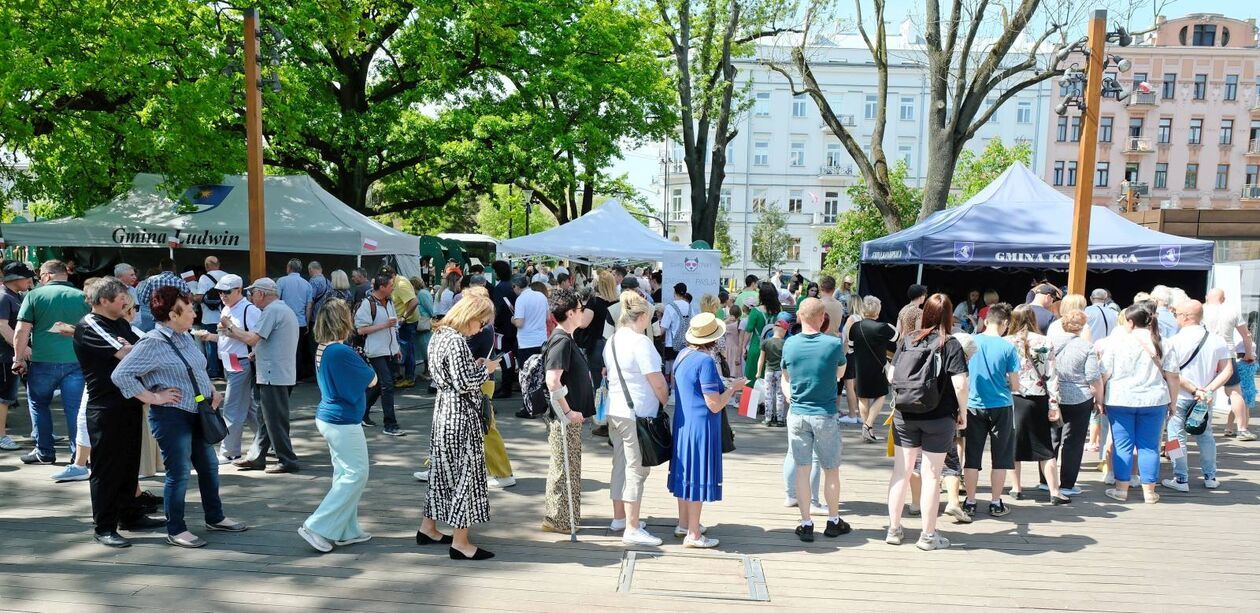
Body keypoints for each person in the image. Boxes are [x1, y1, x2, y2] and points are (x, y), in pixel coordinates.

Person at [112, 286, 247, 547]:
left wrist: (211, 390)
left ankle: (215, 517)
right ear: (172, 315)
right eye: (187, 310)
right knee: (179, 472)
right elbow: (120, 375)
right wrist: (153, 398)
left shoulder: (185, 337)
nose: (193, 314)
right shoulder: (153, 341)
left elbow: (195, 368)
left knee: (209, 467)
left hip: (198, 411)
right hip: (171, 416)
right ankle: (176, 529)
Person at [72, 277, 165, 547]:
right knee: (107, 469)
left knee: (128, 464)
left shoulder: (120, 323)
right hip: (106, 407)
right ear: (103, 301)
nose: (127, 302)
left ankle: (130, 516)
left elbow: (147, 344)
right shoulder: (90, 325)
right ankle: (104, 527)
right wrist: (134, 350)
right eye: (121, 298)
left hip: (129, 403)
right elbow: (129, 354)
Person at [886, 294, 969, 551]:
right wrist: (962, 412)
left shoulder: (908, 340)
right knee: (932, 476)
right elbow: (961, 383)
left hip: (905, 414)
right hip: (939, 416)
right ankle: (928, 535)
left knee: (902, 471)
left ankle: (894, 529)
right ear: (948, 315)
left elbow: (892, 374)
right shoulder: (951, 343)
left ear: (925, 313)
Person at [298, 299, 378, 553]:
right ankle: (317, 525)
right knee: (356, 474)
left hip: (330, 417)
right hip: (342, 420)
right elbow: (372, 379)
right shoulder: (341, 351)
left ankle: (345, 529)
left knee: (344, 474)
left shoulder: (324, 347)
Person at [670, 313, 745, 548]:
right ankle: (693, 533)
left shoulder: (683, 355)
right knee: (697, 477)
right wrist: (733, 388)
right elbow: (714, 403)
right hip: (701, 425)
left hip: (684, 423)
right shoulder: (705, 362)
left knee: (685, 476)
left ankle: (684, 524)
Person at [603, 290, 670, 546]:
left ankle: (620, 517)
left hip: (616, 409)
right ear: (642, 316)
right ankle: (631, 527)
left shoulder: (614, 340)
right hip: (637, 413)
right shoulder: (641, 343)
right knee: (636, 469)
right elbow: (658, 382)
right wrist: (665, 402)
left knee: (620, 464)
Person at [782, 298, 850, 542]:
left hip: (798, 414)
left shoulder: (789, 344)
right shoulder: (833, 344)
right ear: (823, 318)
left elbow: (787, 376)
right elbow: (840, 373)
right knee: (831, 470)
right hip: (825, 413)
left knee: (802, 470)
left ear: (799, 317)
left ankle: (806, 522)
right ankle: (833, 520)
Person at [1099, 305, 1178, 503]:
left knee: (1122, 445)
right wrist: (1173, 403)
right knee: (1149, 447)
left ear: (1131, 322)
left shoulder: (1117, 343)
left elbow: (1104, 373)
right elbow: (1173, 377)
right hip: (1155, 399)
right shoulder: (1164, 343)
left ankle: (1121, 489)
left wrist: (1099, 400)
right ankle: (1149, 492)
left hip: (1120, 399)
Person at [14, 260, 89, 465]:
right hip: (75, 361)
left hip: (42, 360)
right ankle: (79, 455)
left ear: (46, 275)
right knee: (75, 409)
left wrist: (18, 358)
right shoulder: (83, 296)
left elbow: (21, 331)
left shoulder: (34, 295)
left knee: (38, 405)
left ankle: (44, 451)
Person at [224, 278, 302, 474]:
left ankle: (287, 459)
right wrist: (256, 352)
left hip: (272, 373)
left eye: (252, 293)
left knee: (274, 419)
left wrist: (230, 327)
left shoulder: (272, 311)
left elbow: (252, 338)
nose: (250, 297)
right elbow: (273, 340)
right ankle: (257, 456)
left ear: (261, 294)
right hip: (279, 372)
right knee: (266, 418)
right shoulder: (282, 309)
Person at [541, 288, 594, 534]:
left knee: (565, 464)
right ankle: (561, 519)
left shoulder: (564, 338)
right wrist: (568, 411)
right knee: (565, 466)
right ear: (571, 313)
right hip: (565, 417)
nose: (584, 313)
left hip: (568, 416)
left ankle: (559, 516)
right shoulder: (562, 340)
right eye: (581, 309)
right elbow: (553, 380)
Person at [1005, 305, 1070, 505]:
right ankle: (1054, 491)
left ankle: (1016, 488)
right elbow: (1052, 376)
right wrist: (1054, 404)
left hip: (1013, 397)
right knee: (1045, 447)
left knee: (1013, 445)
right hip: (1038, 398)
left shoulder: (1006, 342)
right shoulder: (1044, 341)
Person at [1163, 300, 1229, 493]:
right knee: (1206, 436)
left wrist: (1194, 389)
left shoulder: (1173, 341)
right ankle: (1210, 476)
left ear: (1185, 317)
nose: (1176, 318)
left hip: (1179, 396)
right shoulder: (1217, 340)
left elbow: (1172, 373)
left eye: (1177, 314)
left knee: (1175, 438)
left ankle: (1180, 478)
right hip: (1204, 399)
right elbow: (1227, 370)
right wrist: (1207, 390)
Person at [962, 303, 1020, 517]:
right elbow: (1015, 385)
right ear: (1005, 323)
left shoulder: (971, 342)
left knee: (972, 457)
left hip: (973, 405)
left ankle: (970, 501)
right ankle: (996, 502)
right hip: (1001, 406)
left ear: (986, 321)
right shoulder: (1008, 347)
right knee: (1001, 456)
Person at [201, 274, 259, 463]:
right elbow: (228, 337)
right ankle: (268, 440)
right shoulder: (227, 308)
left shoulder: (249, 310)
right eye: (219, 292)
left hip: (241, 362)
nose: (222, 295)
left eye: (226, 292)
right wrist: (211, 337)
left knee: (233, 407)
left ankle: (230, 451)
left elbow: (253, 337)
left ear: (238, 290)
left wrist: (229, 329)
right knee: (248, 407)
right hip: (230, 361)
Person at [1048, 310, 1100, 496]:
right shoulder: (1087, 347)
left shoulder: (1050, 344)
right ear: (1083, 326)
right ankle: (1067, 484)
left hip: (1054, 395)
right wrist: (1099, 399)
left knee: (1052, 438)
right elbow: (1093, 377)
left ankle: (1046, 480)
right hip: (1079, 397)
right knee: (1073, 442)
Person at [356, 273, 406, 436]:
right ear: (382, 287)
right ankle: (390, 424)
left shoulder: (389, 301)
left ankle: (362, 413)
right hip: (376, 350)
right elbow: (361, 329)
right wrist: (384, 325)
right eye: (391, 285)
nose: (394, 287)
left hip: (389, 349)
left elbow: (393, 327)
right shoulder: (367, 304)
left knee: (380, 384)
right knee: (387, 384)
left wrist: (396, 347)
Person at [1204, 288, 1257, 441]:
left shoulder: (1202, 309)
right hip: (1227, 352)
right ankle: (1242, 429)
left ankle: (1194, 423)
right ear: (1224, 298)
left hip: (1205, 353)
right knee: (1234, 392)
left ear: (1207, 297)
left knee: (1199, 388)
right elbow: (1246, 335)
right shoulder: (1232, 311)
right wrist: (1248, 353)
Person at [850, 296, 898, 443]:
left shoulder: (855, 327)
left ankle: (868, 430)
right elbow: (896, 337)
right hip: (878, 367)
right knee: (881, 395)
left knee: (863, 397)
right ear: (877, 310)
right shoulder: (883, 327)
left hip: (860, 366)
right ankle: (868, 425)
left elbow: (851, 348)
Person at [0, 261, 35, 452]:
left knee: (15, 394)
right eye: (27, 277)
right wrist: (19, 348)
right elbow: (2, 326)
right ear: (15, 279)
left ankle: (38, 431)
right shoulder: (4, 296)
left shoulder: (15, 296)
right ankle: (1, 436)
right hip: (6, 356)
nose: (30, 281)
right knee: (4, 397)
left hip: (14, 354)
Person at [512, 274, 549, 418]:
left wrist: (512, 319)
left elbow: (519, 322)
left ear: (516, 286)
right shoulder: (541, 296)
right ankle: (540, 404)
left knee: (526, 376)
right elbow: (547, 317)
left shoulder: (521, 299)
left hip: (526, 342)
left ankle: (529, 407)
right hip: (541, 340)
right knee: (539, 375)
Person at [276, 258, 314, 381]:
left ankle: (285, 375)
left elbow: (276, 300)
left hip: (284, 322)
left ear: (288, 268)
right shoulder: (307, 284)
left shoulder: (281, 281)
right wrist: (307, 323)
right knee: (298, 350)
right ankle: (296, 376)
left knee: (284, 349)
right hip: (301, 322)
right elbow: (309, 306)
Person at [193, 256, 227, 379]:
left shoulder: (204, 278)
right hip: (225, 316)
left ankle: (213, 370)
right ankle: (225, 369)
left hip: (209, 317)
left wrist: (193, 297)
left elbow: (200, 296)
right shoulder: (227, 276)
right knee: (226, 342)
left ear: (207, 266)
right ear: (219, 264)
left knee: (211, 343)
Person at [135, 259, 190, 332]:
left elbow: (143, 298)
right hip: (174, 318)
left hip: (157, 318)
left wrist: (155, 305)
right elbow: (188, 300)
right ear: (174, 268)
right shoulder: (180, 281)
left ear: (160, 267)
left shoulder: (151, 280)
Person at [388, 267, 420, 389]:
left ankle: (409, 378)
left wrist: (403, 318)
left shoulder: (400, 284)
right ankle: (405, 376)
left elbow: (414, 301)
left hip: (407, 323)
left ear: (393, 276)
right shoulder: (399, 281)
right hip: (406, 322)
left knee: (407, 349)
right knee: (407, 349)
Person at [742, 283, 781, 382]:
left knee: (751, 379)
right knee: (769, 382)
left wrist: (743, 348)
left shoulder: (755, 311)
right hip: (773, 349)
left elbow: (748, 331)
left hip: (756, 347)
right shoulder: (778, 311)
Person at [490, 261, 518, 398]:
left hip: (502, 330)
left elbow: (499, 309)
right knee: (510, 357)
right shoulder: (512, 286)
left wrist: (494, 323)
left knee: (504, 357)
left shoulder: (500, 288)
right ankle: (508, 384)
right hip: (513, 328)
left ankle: (506, 388)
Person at [758, 314, 790, 427]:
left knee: (768, 395)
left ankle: (768, 418)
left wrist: (758, 372)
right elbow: (787, 360)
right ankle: (780, 418)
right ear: (784, 331)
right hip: (781, 372)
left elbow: (761, 359)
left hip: (768, 371)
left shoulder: (765, 342)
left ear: (774, 329)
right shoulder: (785, 344)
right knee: (780, 395)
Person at [839, 294, 863, 425]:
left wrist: (842, 356)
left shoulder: (850, 319)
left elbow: (847, 340)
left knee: (849, 386)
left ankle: (852, 414)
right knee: (857, 387)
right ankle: (860, 413)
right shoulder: (861, 319)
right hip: (859, 355)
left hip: (849, 354)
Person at [660, 282, 692, 368]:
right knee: (683, 367)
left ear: (674, 292)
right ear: (685, 293)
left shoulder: (670, 307)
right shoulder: (689, 306)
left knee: (673, 367)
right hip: (686, 342)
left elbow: (663, 327)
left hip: (672, 343)